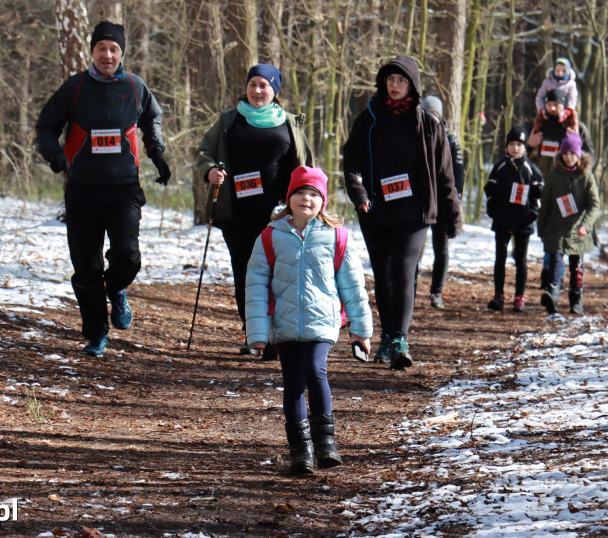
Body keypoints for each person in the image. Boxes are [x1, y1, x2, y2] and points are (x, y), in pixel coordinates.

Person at [35, 21, 171, 357]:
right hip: (81, 190)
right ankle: (96, 333)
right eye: (101, 49)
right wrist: (54, 155)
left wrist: (158, 155)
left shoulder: (134, 86)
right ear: (92, 52)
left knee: (127, 256)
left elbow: (151, 120)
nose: (107, 55)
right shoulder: (75, 87)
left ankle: (116, 289)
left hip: (124, 189)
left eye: (113, 49)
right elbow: (45, 125)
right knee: (87, 267)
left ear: (122, 53)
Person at [245, 166, 372, 475]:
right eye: (301, 192)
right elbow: (255, 286)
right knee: (292, 384)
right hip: (285, 325)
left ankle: (326, 445)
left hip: (322, 321)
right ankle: (300, 452)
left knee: (315, 372)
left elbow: (353, 287)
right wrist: (257, 333)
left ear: (323, 202)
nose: (307, 199)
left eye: (314, 194)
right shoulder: (269, 237)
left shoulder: (337, 237)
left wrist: (360, 330)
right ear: (289, 199)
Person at [343, 56, 462, 369]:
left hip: (414, 210)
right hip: (375, 209)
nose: (394, 86)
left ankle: (399, 338)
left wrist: (453, 215)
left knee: (403, 271)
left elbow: (445, 174)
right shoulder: (368, 118)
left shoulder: (429, 124)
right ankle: (386, 338)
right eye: (390, 80)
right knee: (382, 275)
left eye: (401, 80)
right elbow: (351, 159)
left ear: (413, 85)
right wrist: (359, 194)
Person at [196, 64, 314, 356]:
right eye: (253, 85)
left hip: (280, 214)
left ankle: (278, 333)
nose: (257, 90)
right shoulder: (228, 121)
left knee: (279, 274)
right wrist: (210, 170)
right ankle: (254, 332)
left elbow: (306, 167)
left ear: (275, 90)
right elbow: (204, 152)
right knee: (246, 274)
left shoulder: (290, 123)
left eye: (264, 85)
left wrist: (306, 203)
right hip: (237, 213)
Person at [537, 132, 600, 316]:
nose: (569, 157)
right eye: (565, 154)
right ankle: (552, 296)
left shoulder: (587, 177)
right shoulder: (553, 176)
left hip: (579, 230)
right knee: (555, 263)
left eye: (572, 154)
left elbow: (594, 204)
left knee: (576, 268)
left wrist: (586, 225)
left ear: (579, 155)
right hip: (556, 229)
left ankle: (576, 300)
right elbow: (545, 204)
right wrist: (541, 229)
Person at [484, 125, 544, 312]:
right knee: (500, 258)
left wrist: (529, 217)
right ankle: (498, 295)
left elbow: (539, 197)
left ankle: (519, 297)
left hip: (523, 225)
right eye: (512, 144)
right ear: (507, 146)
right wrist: (495, 213)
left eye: (519, 144)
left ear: (525, 147)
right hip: (501, 222)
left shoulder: (531, 170)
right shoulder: (499, 167)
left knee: (521, 260)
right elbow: (490, 192)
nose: (515, 148)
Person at [420, 95, 464, 309]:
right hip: (419, 202)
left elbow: (457, 174)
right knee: (413, 249)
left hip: (442, 203)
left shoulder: (450, 141)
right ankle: (409, 289)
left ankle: (436, 292)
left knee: (441, 249)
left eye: (434, 114)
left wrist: (457, 200)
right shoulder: (415, 136)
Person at [527, 88, 595, 176]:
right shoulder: (536, 126)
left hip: (566, 182)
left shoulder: (576, 127)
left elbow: (590, 159)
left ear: (564, 106)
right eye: (549, 104)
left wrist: (577, 144)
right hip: (541, 181)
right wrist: (529, 145)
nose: (552, 108)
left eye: (556, 104)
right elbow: (519, 157)